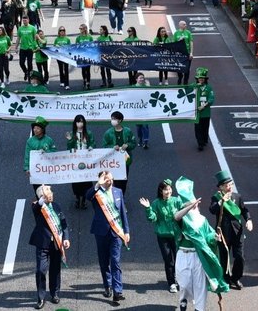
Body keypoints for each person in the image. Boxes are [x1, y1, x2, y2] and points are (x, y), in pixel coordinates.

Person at [173, 176, 229, 311]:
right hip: (183, 254)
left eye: (196, 204)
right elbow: (176, 217)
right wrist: (189, 206)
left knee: (200, 285)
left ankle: (199, 308)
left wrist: (215, 237)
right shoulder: (182, 219)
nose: (195, 206)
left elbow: (208, 235)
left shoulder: (202, 220)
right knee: (184, 283)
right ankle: (183, 299)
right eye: (192, 204)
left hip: (198, 256)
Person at [86, 171, 130, 303]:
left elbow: (122, 211)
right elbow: (87, 196)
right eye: (107, 180)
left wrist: (126, 231)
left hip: (116, 232)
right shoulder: (96, 193)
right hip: (101, 231)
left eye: (111, 179)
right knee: (104, 261)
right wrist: (97, 185)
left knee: (115, 261)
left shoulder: (118, 191)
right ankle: (107, 285)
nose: (110, 181)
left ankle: (118, 291)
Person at [29, 185, 69, 308]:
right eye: (48, 193)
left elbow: (64, 224)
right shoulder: (37, 206)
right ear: (41, 196)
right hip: (43, 243)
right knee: (41, 270)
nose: (51, 194)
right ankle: (41, 297)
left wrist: (66, 238)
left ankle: (55, 293)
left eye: (51, 192)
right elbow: (37, 207)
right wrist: (43, 197)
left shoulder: (57, 206)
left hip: (56, 243)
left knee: (55, 269)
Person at [210, 170, 252, 290]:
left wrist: (248, 220)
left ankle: (236, 278)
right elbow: (212, 210)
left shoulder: (237, 197)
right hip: (223, 233)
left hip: (237, 232)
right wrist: (221, 201)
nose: (229, 187)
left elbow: (244, 210)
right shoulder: (215, 198)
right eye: (226, 185)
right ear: (221, 187)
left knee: (240, 257)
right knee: (224, 258)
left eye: (230, 185)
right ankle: (226, 279)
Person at [139, 179, 182, 294]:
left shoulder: (177, 201)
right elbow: (152, 218)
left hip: (176, 235)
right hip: (162, 236)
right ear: (161, 191)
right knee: (168, 260)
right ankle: (171, 282)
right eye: (165, 189)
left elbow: (184, 213)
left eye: (169, 189)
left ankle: (180, 280)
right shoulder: (156, 203)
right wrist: (148, 208)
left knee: (179, 259)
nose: (168, 192)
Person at [103, 111, 136, 193]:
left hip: (125, 160)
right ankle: (113, 196)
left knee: (123, 180)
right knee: (113, 180)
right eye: (112, 119)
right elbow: (104, 146)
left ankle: (121, 196)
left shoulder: (127, 131)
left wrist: (127, 145)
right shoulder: (108, 133)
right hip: (113, 161)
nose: (112, 121)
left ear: (120, 120)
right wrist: (112, 147)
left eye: (114, 119)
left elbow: (134, 143)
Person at [67, 115, 94, 209]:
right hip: (75, 160)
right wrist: (70, 141)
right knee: (76, 180)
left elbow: (92, 143)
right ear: (75, 123)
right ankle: (78, 198)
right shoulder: (72, 133)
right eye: (78, 122)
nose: (80, 124)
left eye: (82, 122)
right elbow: (69, 148)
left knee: (86, 180)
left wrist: (91, 147)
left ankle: (84, 199)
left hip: (86, 160)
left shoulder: (88, 133)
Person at [24, 117, 56, 192]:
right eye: (34, 128)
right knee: (37, 190)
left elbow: (54, 154)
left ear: (42, 130)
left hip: (46, 169)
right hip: (35, 169)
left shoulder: (49, 140)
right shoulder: (30, 141)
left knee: (46, 190)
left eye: (38, 128)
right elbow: (27, 155)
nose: (35, 130)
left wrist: (47, 151)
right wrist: (27, 168)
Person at [193, 68, 214, 151]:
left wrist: (204, 106)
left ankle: (204, 140)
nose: (200, 79)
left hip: (206, 112)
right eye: (199, 78)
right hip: (196, 113)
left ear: (205, 79)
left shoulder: (209, 88)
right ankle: (200, 143)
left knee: (205, 128)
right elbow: (186, 90)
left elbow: (211, 99)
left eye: (202, 78)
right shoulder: (193, 86)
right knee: (198, 128)